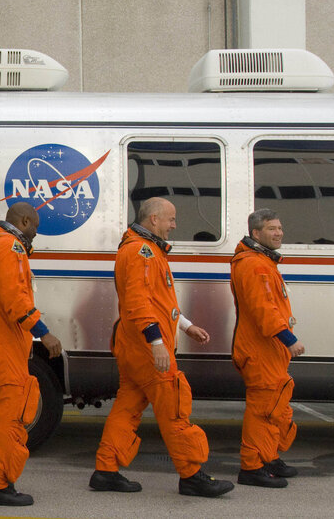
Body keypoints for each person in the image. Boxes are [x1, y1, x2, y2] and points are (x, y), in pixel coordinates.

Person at [90, 197, 233, 497]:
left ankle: (106, 470)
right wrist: (156, 343)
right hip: (146, 347)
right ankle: (191, 475)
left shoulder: (146, 249)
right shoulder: (142, 252)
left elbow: (159, 302)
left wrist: (186, 325)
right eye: (171, 219)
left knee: (128, 406)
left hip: (134, 345)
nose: (174, 224)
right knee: (174, 407)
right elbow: (138, 303)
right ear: (154, 219)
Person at [0, 202, 62, 507]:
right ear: (24, 221)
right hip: (1, 342)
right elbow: (16, 300)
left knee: (9, 408)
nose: (36, 231)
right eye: (35, 225)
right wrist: (44, 332)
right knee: (13, 413)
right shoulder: (11, 248)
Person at [230, 209, 303, 488]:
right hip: (261, 349)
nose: (279, 232)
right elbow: (264, 310)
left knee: (276, 408)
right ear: (256, 233)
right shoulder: (255, 265)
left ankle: (268, 457)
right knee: (263, 409)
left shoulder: (262, 261)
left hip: (268, 349)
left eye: (280, 227)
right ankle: (252, 466)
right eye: (272, 228)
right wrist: (288, 339)